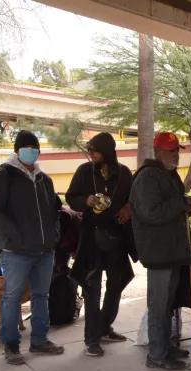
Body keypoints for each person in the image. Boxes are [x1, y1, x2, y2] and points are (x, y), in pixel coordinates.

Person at [0, 130, 64, 365]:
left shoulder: (44, 179)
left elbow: (55, 212)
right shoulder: (5, 175)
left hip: (44, 249)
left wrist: (53, 234)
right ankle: (11, 345)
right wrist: (13, 234)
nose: (30, 151)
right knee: (11, 297)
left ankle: (39, 340)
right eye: (26, 147)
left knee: (41, 295)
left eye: (34, 148)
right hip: (15, 251)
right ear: (17, 150)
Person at [66, 132, 136, 357]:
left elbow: (136, 197)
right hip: (91, 239)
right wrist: (85, 201)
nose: (90, 153)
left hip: (116, 239)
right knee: (92, 288)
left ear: (107, 151)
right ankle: (92, 339)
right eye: (89, 149)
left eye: (94, 149)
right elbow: (71, 197)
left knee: (117, 283)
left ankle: (105, 327)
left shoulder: (124, 173)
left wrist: (129, 208)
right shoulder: (84, 171)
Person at [130, 132, 191, 370]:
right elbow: (152, 213)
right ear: (157, 151)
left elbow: (175, 207)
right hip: (159, 252)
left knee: (168, 304)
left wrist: (187, 206)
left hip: (172, 249)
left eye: (177, 150)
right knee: (159, 306)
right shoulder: (148, 177)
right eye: (171, 150)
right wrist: (181, 203)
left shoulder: (168, 174)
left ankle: (165, 346)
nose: (176, 155)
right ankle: (157, 354)